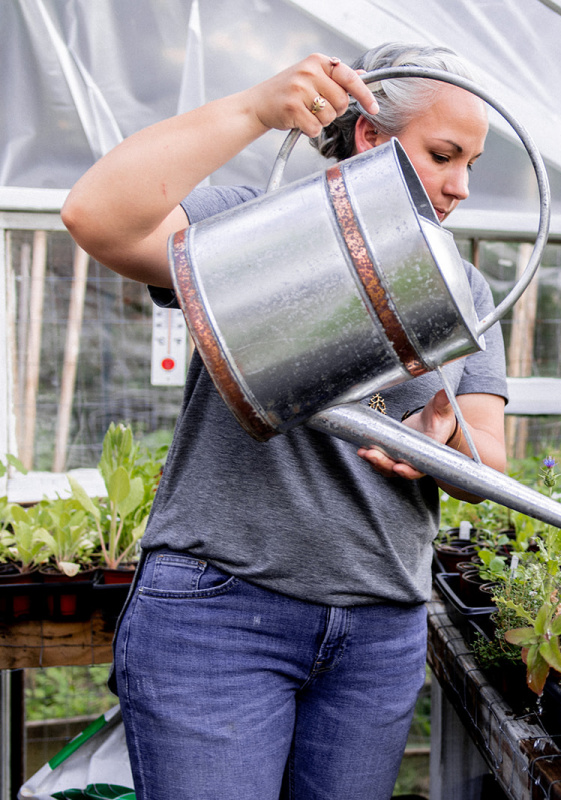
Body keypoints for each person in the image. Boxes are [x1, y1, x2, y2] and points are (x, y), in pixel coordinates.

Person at [62, 43, 507, 799]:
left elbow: (487, 459)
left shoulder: (464, 289)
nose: (460, 186)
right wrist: (252, 109)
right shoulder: (256, 227)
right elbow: (96, 217)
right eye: (443, 154)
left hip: (379, 633)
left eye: (472, 164)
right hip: (221, 615)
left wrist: (445, 446)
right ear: (370, 135)